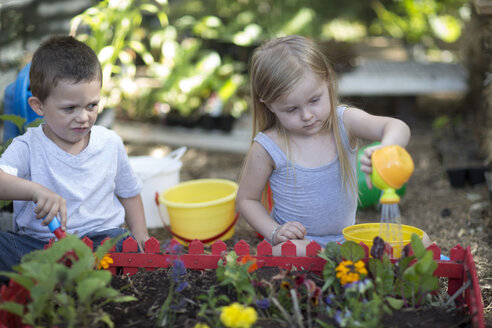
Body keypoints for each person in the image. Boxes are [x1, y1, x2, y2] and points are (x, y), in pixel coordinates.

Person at [236, 35, 414, 256]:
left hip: (348, 240)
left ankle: (340, 260)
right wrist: (274, 231)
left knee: (419, 241)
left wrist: (386, 147)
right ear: (269, 105)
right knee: (283, 251)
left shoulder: (344, 122)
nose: (307, 115)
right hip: (300, 245)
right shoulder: (267, 147)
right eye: (291, 109)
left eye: (314, 100)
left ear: (328, 81)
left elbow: (397, 126)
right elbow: (246, 199)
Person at [0, 35, 150, 275]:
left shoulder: (109, 143)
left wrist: (142, 237)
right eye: (70, 108)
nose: (83, 117)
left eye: (91, 106)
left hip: (100, 242)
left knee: (121, 241)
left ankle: (72, 275)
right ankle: (71, 275)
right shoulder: (28, 146)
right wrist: (35, 190)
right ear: (38, 106)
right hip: (41, 247)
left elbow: (129, 194)